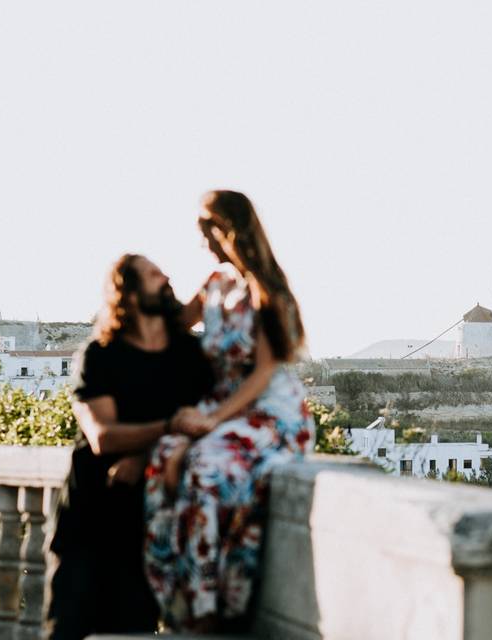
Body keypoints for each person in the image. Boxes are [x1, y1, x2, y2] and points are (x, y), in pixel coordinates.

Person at [144, 190, 314, 633]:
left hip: (269, 414)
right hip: (223, 410)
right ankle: (175, 596)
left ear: (229, 232)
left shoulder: (268, 294)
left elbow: (262, 375)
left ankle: (211, 605)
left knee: (206, 465)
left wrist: (211, 422)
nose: (204, 245)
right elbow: (175, 327)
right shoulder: (215, 286)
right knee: (163, 455)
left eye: (208, 234)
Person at [44, 254, 214, 640]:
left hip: (149, 527)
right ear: (130, 294)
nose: (167, 276)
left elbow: (205, 423)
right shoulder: (100, 354)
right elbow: (103, 437)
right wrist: (169, 426)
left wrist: (144, 453)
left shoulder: (190, 357)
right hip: (88, 523)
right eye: (155, 274)